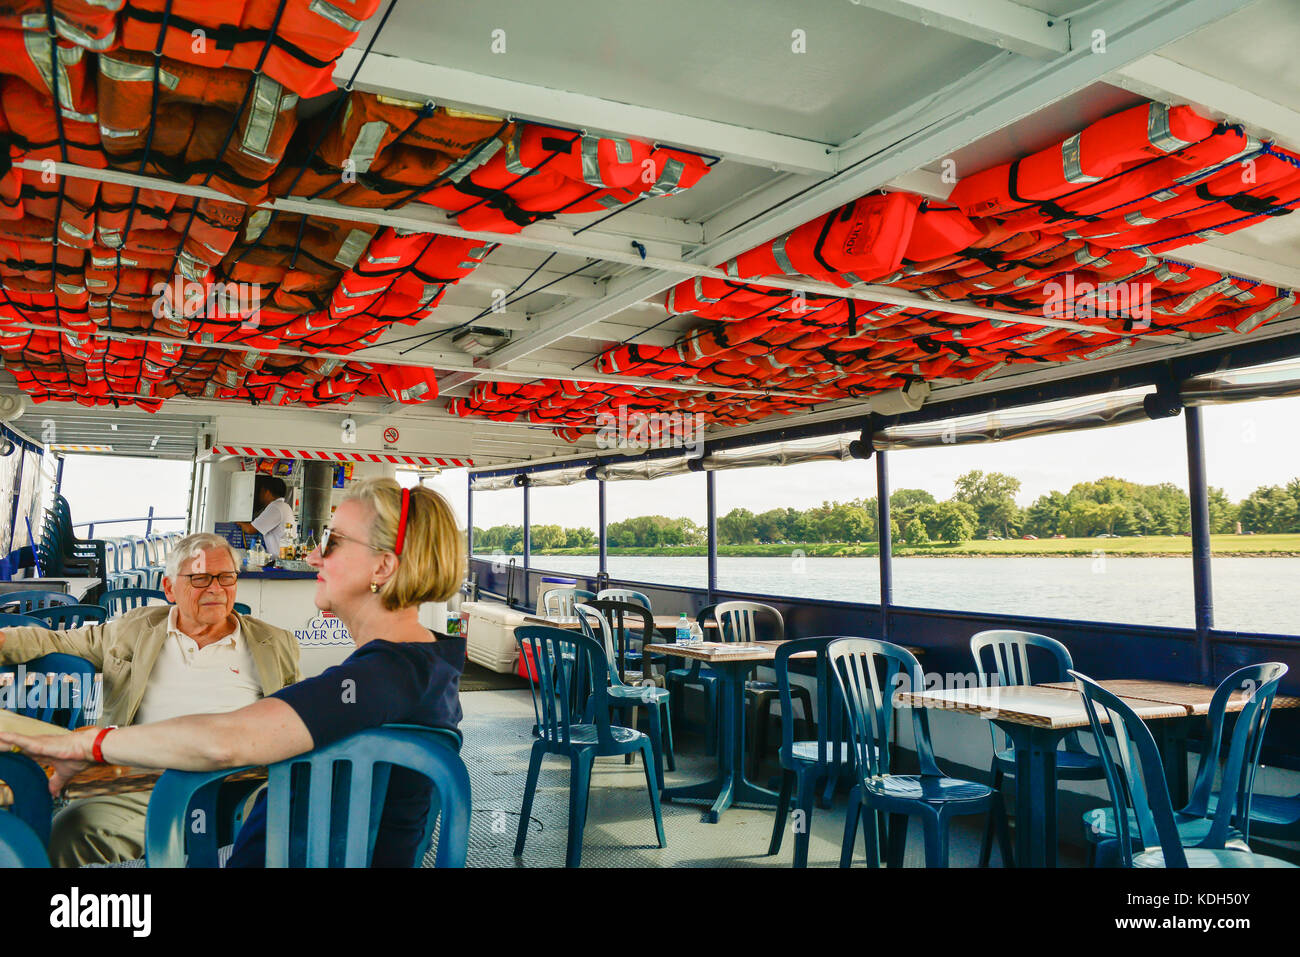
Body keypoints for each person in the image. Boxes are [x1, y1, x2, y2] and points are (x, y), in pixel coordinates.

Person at [2, 478, 467, 868]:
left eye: (331, 542)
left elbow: (226, 741)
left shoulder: (381, 679)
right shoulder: (414, 671)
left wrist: (85, 742)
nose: (312, 557)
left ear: (383, 566)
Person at [0, 532, 302, 866]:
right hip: (143, 783)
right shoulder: (134, 630)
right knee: (69, 832)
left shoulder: (274, 643)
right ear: (169, 587)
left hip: (236, 786)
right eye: (200, 578)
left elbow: (293, 719)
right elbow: (58, 642)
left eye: (226, 577)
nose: (215, 588)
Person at [239, 475, 295, 558]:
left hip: (280, 560)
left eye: (260, 492)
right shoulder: (285, 506)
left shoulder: (275, 507)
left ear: (267, 492)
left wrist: (236, 520)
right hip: (285, 557)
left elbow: (250, 529)